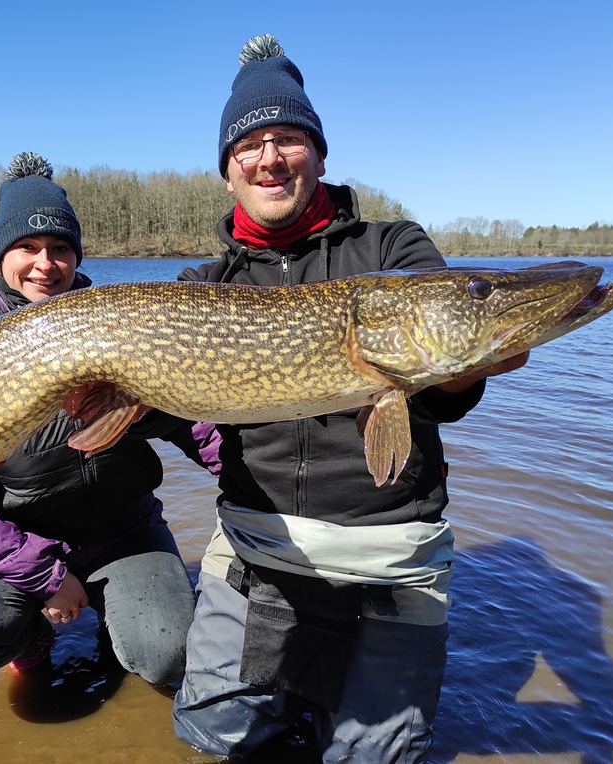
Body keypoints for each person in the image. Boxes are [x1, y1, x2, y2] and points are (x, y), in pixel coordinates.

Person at [171, 36, 528, 762]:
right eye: (250, 144)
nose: (270, 157)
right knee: (215, 743)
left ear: (320, 156)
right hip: (256, 548)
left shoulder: (393, 249)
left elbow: (437, 396)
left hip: (389, 558)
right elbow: (158, 415)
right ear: (228, 170)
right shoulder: (200, 288)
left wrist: (463, 367)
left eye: (290, 138)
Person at [0, 152, 196, 687]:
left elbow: (196, 419)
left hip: (125, 531)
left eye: (60, 248)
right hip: (20, 540)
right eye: (26, 247)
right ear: (0, 255)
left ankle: (119, 633)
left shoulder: (119, 326)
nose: (45, 263)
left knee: (171, 655)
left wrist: (250, 478)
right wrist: (43, 575)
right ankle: (30, 637)